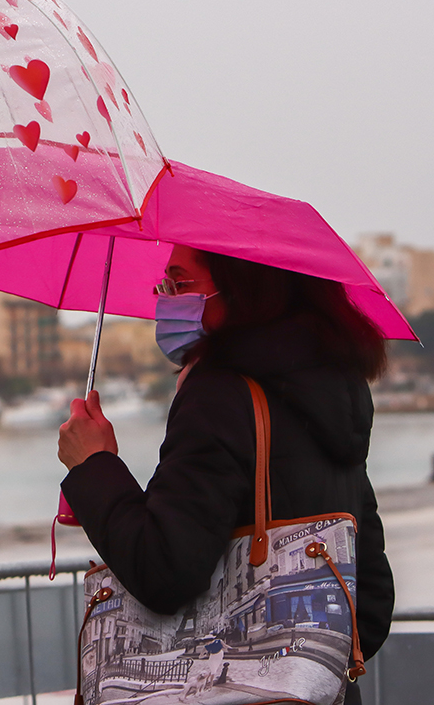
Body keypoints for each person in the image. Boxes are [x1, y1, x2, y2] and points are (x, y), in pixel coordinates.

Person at [58, 244, 395, 705]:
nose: (166, 297)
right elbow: (368, 600)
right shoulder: (336, 391)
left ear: (240, 288)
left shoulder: (218, 395)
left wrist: (93, 467)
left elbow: (162, 571)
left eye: (180, 282)